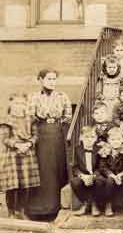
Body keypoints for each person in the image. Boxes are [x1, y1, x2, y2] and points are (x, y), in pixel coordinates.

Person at [27, 68, 72, 218]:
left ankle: (57, 207)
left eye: (54, 79)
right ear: (40, 79)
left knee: (57, 167)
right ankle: (40, 208)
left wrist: (59, 122)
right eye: (48, 79)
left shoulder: (62, 96)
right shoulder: (34, 97)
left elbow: (68, 116)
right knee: (44, 168)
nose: (52, 82)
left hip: (58, 134)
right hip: (41, 133)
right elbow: (30, 117)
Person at [0, 108, 40, 220]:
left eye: (21, 103)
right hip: (12, 154)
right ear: (12, 105)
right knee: (11, 186)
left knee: (25, 185)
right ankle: (11, 212)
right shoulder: (6, 120)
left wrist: (28, 144)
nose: (19, 106)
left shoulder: (31, 119)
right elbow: (4, 139)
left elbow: (36, 135)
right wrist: (17, 145)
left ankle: (21, 211)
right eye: (16, 103)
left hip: (28, 153)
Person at [97, 127, 123, 217]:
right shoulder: (105, 150)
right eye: (113, 139)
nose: (115, 141)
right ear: (108, 140)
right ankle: (108, 204)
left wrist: (121, 174)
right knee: (109, 181)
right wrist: (112, 175)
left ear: (122, 139)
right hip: (110, 174)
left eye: (118, 139)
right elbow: (102, 167)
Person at [70, 126, 104, 217]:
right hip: (83, 175)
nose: (89, 140)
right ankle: (86, 203)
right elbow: (75, 167)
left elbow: (101, 167)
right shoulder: (77, 149)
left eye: (92, 137)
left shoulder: (99, 149)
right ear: (81, 137)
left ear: (96, 138)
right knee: (75, 182)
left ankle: (94, 205)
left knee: (99, 181)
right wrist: (83, 176)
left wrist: (93, 176)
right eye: (86, 137)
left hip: (95, 174)